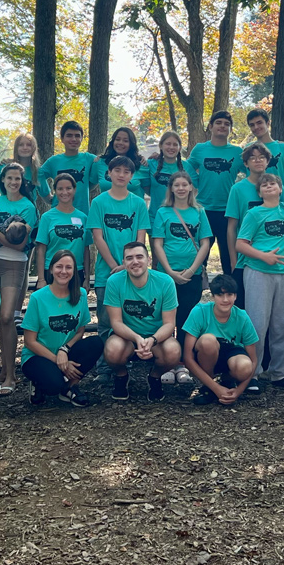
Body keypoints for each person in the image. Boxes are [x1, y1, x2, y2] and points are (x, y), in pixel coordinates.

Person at [235, 174, 284, 392]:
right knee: (258, 324)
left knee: (283, 324)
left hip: (282, 273)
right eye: (264, 185)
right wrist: (264, 256)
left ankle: (278, 372)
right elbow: (240, 244)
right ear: (260, 192)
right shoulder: (254, 214)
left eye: (273, 183)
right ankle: (252, 373)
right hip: (258, 271)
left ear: (281, 189)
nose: (269, 186)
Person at [151, 171, 212, 385]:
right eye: (176, 185)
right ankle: (167, 363)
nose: (180, 188)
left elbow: (205, 242)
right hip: (166, 276)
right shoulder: (163, 212)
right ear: (171, 189)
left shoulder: (199, 211)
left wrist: (192, 269)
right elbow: (157, 242)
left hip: (191, 275)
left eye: (184, 184)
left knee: (186, 320)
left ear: (191, 188)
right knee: (166, 320)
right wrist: (169, 271)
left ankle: (183, 364)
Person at [86, 155, 151, 352]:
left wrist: (129, 264)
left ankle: (129, 358)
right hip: (107, 272)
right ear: (109, 173)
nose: (121, 175)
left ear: (132, 176)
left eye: (126, 172)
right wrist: (116, 266)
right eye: (117, 171)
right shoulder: (98, 203)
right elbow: (98, 238)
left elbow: (141, 238)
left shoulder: (138, 204)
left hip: (134, 272)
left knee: (130, 319)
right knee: (105, 321)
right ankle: (105, 365)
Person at [21, 251, 102, 407]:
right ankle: (39, 383)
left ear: (74, 271)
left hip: (65, 351)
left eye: (68, 267)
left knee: (96, 343)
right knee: (52, 386)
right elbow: (29, 342)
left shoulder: (81, 294)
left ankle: (70, 387)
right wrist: (58, 360)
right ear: (51, 269)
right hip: (38, 355)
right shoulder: (38, 298)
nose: (63, 271)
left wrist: (64, 350)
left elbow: (80, 331)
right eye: (59, 267)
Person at [103, 242, 181, 402]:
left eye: (139, 257)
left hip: (157, 337)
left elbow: (169, 324)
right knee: (112, 350)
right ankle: (121, 376)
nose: (135, 262)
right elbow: (116, 322)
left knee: (173, 351)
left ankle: (155, 377)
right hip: (126, 338)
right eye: (129, 258)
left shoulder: (165, 282)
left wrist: (152, 340)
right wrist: (137, 339)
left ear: (149, 260)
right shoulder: (114, 282)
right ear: (124, 263)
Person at [0, 162, 38, 396]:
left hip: (14, 265)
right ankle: (4, 370)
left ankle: (12, 376)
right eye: (9, 178)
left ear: (22, 181)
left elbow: (20, 245)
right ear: (3, 180)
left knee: (8, 316)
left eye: (17, 178)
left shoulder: (28, 207)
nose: (13, 182)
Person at [182, 274, 258, 406]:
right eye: (220, 295)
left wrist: (238, 391)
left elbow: (253, 360)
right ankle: (209, 386)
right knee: (208, 341)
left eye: (229, 295)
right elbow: (187, 357)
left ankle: (227, 381)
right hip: (206, 356)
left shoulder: (242, 317)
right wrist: (216, 388)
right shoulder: (200, 311)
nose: (225, 299)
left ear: (235, 296)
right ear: (212, 296)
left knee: (245, 367)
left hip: (231, 355)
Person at [186, 111, 243, 273]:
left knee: (228, 257)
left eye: (227, 124)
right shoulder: (199, 149)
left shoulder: (237, 152)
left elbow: (251, 172)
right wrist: (197, 182)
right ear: (210, 126)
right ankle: (195, 294)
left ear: (230, 129)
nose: (222, 126)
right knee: (199, 257)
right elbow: (186, 167)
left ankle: (230, 295)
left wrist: (239, 191)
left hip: (228, 212)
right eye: (218, 122)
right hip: (203, 210)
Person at [224, 142, 272, 309]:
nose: (257, 161)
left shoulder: (276, 186)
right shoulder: (238, 189)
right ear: (246, 163)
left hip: (272, 257)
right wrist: (233, 259)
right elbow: (231, 227)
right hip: (245, 259)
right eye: (252, 158)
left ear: (268, 161)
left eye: (261, 157)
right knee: (246, 307)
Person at [35, 173, 90, 289]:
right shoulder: (47, 217)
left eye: (68, 188)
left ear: (74, 190)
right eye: (60, 189)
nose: (64, 192)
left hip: (76, 272)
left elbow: (86, 250)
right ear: (54, 191)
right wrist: (41, 279)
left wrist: (87, 278)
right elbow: (41, 249)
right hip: (52, 272)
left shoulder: (83, 218)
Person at [39, 121, 97, 215]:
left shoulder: (89, 159)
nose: (73, 139)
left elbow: (99, 172)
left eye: (77, 136)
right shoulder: (53, 161)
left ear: (82, 138)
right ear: (62, 138)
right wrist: (46, 195)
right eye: (69, 135)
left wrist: (87, 187)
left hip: (82, 213)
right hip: (58, 212)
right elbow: (38, 174)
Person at [245, 108, 284, 201]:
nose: (256, 127)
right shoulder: (248, 149)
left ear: (268, 123)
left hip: (281, 202)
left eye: (259, 123)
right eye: (252, 125)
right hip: (255, 201)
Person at [140, 131, 190, 225]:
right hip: (155, 217)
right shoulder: (150, 164)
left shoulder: (187, 167)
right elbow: (147, 188)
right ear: (160, 146)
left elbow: (193, 190)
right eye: (168, 144)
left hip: (180, 219)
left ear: (179, 148)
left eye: (175, 144)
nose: (171, 147)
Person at [0, 133, 51, 206]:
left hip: (28, 214)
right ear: (16, 148)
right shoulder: (4, 168)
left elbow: (48, 198)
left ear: (34, 148)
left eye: (29, 145)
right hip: (6, 213)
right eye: (21, 145)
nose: (25, 147)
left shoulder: (37, 171)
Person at [91, 127, 146, 198]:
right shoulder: (100, 162)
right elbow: (89, 185)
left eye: (125, 141)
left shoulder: (141, 164)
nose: (120, 143)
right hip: (106, 208)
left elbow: (152, 190)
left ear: (131, 144)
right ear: (113, 142)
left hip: (134, 208)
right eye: (117, 139)